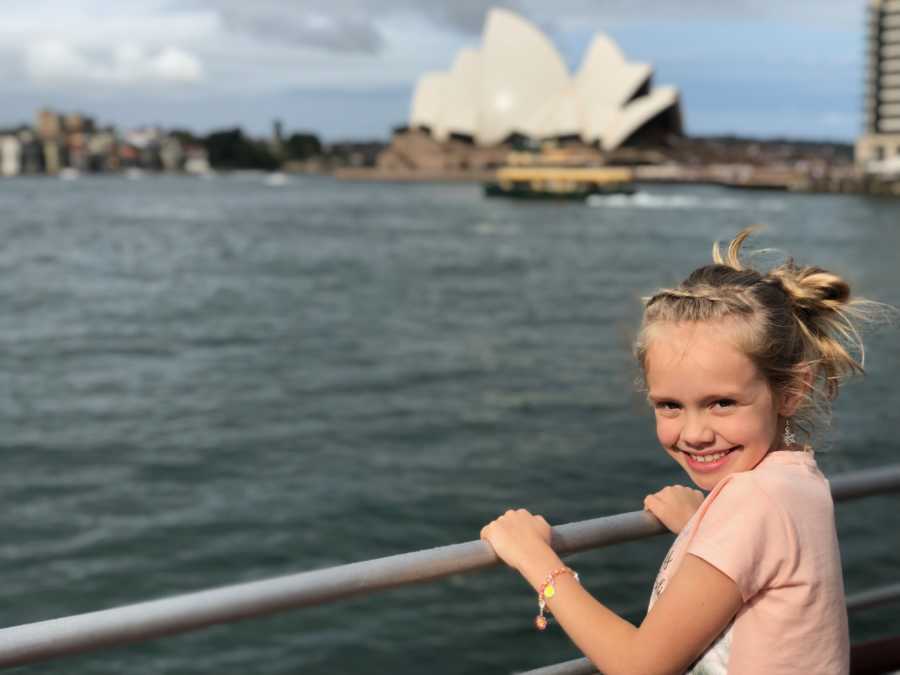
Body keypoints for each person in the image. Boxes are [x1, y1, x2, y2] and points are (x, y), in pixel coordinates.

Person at [480, 227, 883, 674]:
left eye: (722, 403)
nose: (694, 434)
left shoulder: (753, 503)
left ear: (792, 390)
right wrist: (700, 527)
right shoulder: (796, 480)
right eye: (670, 406)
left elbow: (639, 667)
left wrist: (536, 560)